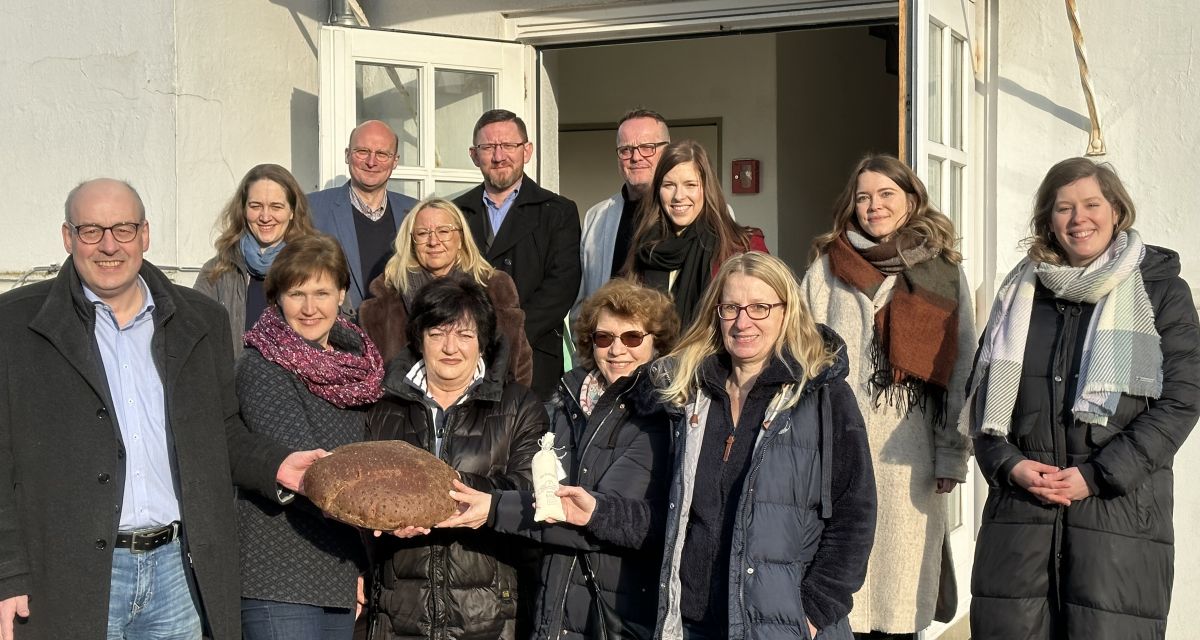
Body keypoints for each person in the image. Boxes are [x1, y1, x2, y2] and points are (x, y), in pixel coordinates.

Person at [0, 179, 324, 640]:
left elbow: (222, 431)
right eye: (91, 230)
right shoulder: (15, 324)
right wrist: (7, 573)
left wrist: (277, 465)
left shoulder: (201, 319)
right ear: (68, 237)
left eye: (124, 229)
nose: (109, 245)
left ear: (145, 234)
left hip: (176, 573)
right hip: (70, 577)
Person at [966, 157, 1200, 640]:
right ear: (1048, 220)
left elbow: (1182, 399)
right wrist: (1009, 465)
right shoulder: (1019, 292)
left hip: (1117, 522)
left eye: (1091, 204)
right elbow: (982, 399)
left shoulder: (1160, 291)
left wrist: (1096, 476)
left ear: (1116, 210)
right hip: (1021, 522)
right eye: (1064, 208)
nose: (1079, 219)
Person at [439, 278, 681, 639]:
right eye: (604, 338)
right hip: (554, 607)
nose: (617, 349)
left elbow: (595, 522)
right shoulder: (565, 408)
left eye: (632, 338)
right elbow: (538, 495)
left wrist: (493, 508)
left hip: (617, 611)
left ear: (656, 343)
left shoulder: (659, 419)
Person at [651, 251, 875, 640]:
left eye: (760, 307)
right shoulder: (690, 395)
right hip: (693, 622)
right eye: (731, 308)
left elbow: (855, 512)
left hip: (783, 623)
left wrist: (815, 610)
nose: (743, 322)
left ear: (787, 312)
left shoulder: (823, 396)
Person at [802, 154, 974, 639]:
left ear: (911, 200)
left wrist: (952, 454)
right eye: (863, 197)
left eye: (886, 195)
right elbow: (800, 355)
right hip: (838, 449)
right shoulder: (826, 268)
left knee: (899, 595)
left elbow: (962, 368)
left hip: (911, 458)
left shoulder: (943, 271)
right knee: (840, 595)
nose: (873, 206)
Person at [362, 276, 546, 640]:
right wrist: (384, 518)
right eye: (437, 333)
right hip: (400, 611)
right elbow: (363, 493)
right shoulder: (382, 408)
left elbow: (531, 489)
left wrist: (445, 491)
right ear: (419, 339)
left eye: (464, 334)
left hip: (489, 613)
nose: (450, 347)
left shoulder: (520, 406)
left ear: (482, 341)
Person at [236, 234, 385, 640]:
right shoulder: (262, 364)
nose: (309, 308)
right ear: (277, 298)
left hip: (340, 566)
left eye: (321, 293)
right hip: (280, 574)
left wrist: (362, 561)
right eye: (296, 293)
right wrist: (387, 520)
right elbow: (311, 475)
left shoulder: (359, 368)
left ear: (341, 295)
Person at [453, 109, 581, 401]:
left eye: (509, 145)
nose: (499, 156)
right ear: (474, 155)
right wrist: (471, 337)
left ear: (527, 150)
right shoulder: (456, 212)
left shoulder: (558, 211)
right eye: (489, 147)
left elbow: (561, 287)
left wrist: (509, 335)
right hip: (466, 356)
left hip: (534, 356)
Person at [358, 196, 533, 386]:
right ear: (411, 241)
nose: (433, 241)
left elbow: (519, 362)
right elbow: (368, 369)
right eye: (423, 233)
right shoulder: (388, 291)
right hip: (401, 401)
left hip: (485, 401)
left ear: (461, 238)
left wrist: (512, 401)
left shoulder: (494, 286)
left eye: (444, 231)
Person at [623, 140, 766, 328]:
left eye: (690, 185)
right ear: (657, 190)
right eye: (669, 185)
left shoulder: (744, 246)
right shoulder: (645, 248)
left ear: (706, 188)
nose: (679, 196)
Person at [195, 163, 317, 358]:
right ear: (243, 210)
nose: (265, 217)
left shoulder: (317, 268)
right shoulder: (217, 271)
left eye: (276, 207)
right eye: (256, 206)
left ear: (292, 211)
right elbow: (196, 338)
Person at [310, 120, 419, 310]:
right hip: (335, 326)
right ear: (347, 155)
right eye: (362, 151)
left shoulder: (415, 212)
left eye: (382, 154)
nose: (371, 162)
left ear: (395, 161)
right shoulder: (312, 209)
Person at [574, 109, 672, 319]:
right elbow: (583, 301)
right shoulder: (596, 217)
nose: (636, 157)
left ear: (668, 151)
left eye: (647, 147)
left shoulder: (698, 213)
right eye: (626, 150)